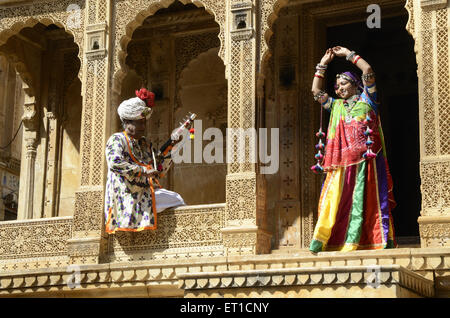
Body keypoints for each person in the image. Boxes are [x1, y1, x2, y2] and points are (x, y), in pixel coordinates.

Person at [309, 46, 396, 253]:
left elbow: (367, 71)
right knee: (336, 202)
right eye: (337, 86)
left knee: (364, 205)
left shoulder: (368, 99)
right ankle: (327, 242)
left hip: (366, 165)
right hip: (340, 164)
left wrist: (349, 55)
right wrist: (323, 64)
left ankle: (370, 241)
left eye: (344, 83)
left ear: (356, 85)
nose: (339, 89)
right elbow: (316, 92)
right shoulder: (336, 105)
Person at [104, 88, 186, 234]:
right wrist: (143, 171)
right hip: (126, 197)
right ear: (127, 122)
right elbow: (115, 163)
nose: (143, 127)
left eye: (144, 123)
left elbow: (158, 169)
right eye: (139, 123)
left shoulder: (145, 144)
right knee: (176, 200)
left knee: (176, 199)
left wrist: (173, 145)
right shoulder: (117, 139)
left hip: (145, 193)